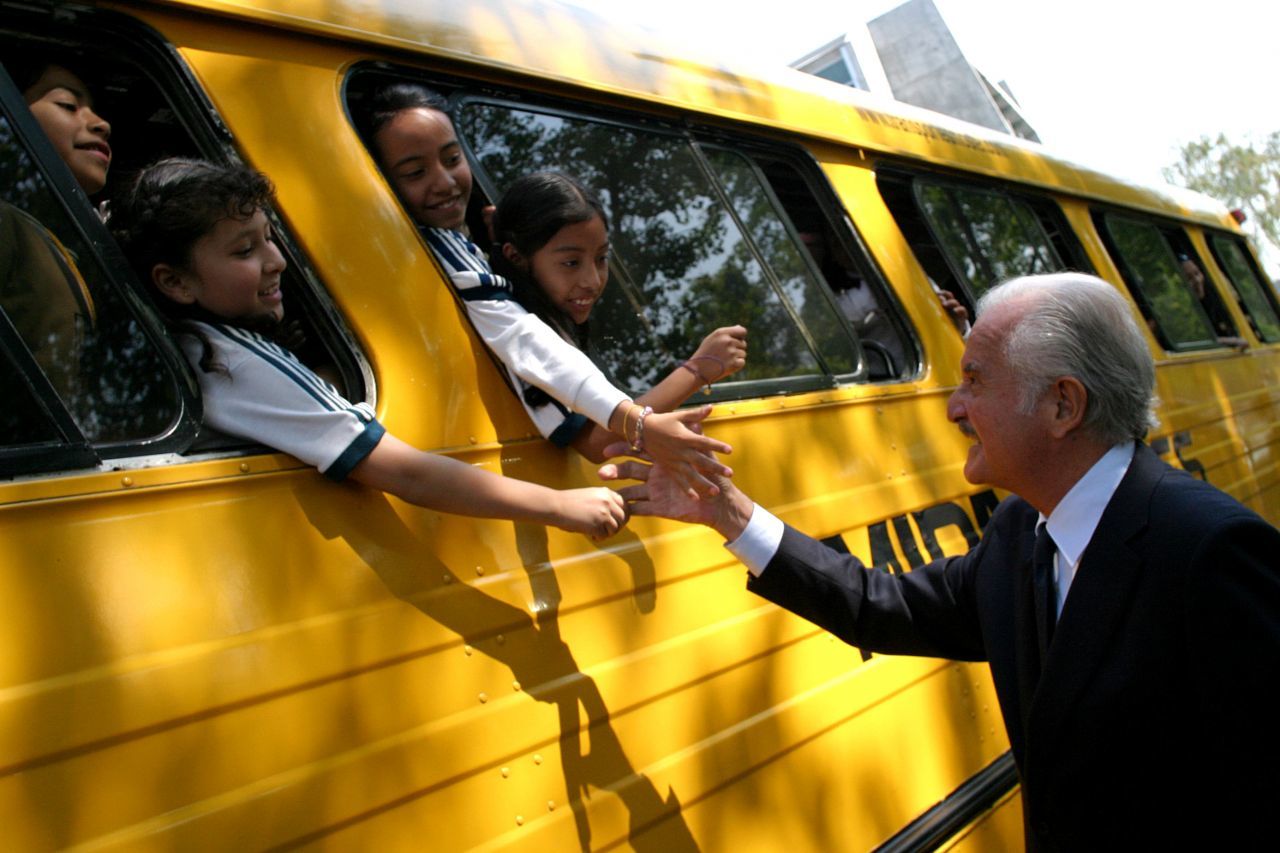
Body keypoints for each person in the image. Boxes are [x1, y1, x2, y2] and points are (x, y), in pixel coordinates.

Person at [602, 272, 1280, 850]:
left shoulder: (1209, 553)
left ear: (1062, 405)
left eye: (975, 381)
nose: (954, 407)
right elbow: (880, 606)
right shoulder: (1021, 531)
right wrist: (729, 513)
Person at [108, 157, 627, 539]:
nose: (276, 261)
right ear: (175, 282)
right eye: (245, 250)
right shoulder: (230, 357)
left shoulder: (185, 347)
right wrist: (559, 506)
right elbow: (402, 470)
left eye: (269, 238)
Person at [362, 83, 735, 496]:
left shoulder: (463, 250)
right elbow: (591, 432)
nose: (445, 182)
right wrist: (692, 374)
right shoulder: (464, 274)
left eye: (453, 159)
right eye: (415, 172)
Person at [490, 170, 747, 460]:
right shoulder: (522, 333)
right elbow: (597, 441)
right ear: (515, 258)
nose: (593, 280)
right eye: (571, 262)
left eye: (601, 258)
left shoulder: (554, 316)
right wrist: (698, 370)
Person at [1178, 253, 1248, 350]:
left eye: (1197, 273)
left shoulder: (1212, 305)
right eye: (1188, 278)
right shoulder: (1179, 313)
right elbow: (1191, 342)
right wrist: (1232, 341)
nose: (1197, 280)